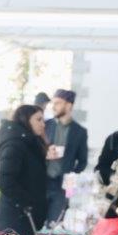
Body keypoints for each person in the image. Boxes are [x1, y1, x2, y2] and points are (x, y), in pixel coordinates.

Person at [0, 105, 50, 235]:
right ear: (26, 120)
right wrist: (27, 204)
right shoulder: (15, 144)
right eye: (39, 119)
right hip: (15, 218)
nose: (43, 124)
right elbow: (5, 181)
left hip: (25, 217)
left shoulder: (29, 142)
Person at [43, 88, 88, 224]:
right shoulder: (45, 125)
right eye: (53, 103)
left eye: (57, 103)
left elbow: (82, 162)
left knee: (56, 225)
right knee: (36, 225)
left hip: (63, 187)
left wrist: (71, 178)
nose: (53, 106)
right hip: (42, 182)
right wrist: (45, 154)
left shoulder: (80, 131)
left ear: (68, 105)